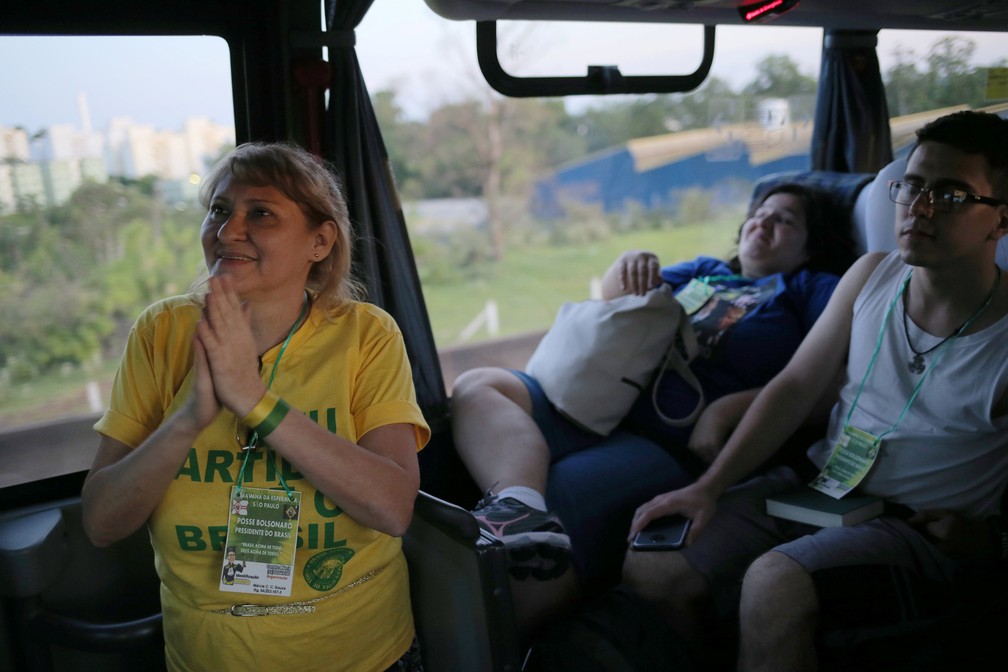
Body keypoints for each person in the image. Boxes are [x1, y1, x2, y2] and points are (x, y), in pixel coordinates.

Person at [622, 110, 1008, 672]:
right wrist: (708, 487)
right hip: (821, 488)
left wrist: (995, 542)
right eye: (913, 186)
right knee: (654, 563)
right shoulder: (871, 274)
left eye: (949, 196)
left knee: (774, 583)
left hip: (920, 531)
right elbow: (797, 387)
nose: (919, 209)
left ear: (1000, 222)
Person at [81, 142, 430, 672]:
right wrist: (189, 419)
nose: (227, 231)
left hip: (359, 652)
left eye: (260, 213)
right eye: (219, 210)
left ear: (320, 241)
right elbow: (102, 522)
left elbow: (392, 507)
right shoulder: (162, 332)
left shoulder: (367, 335)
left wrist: (254, 400)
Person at [451, 181, 859, 600]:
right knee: (480, 385)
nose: (764, 222)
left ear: (810, 247)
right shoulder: (707, 271)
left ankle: (518, 611)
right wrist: (628, 263)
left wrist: (727, 411)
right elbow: (616, 300)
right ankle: (520, 508)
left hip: (665, 441)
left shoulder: (812, 289)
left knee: (560, 493)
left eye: (785, 220)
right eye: (760, 213)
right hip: (598, 403)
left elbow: (832, 381)